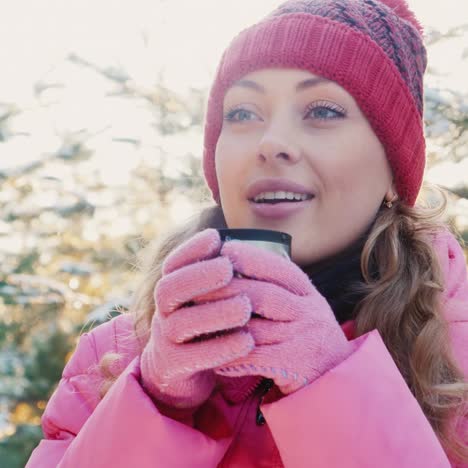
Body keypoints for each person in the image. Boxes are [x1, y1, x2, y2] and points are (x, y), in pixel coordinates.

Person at [26, 0, 468, 466]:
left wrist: (331, 386)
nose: (270, 142)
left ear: (395, 172)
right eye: (241, 114)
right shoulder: (114, 356)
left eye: (322, 110)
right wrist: (159, 408)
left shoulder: (456, 356)